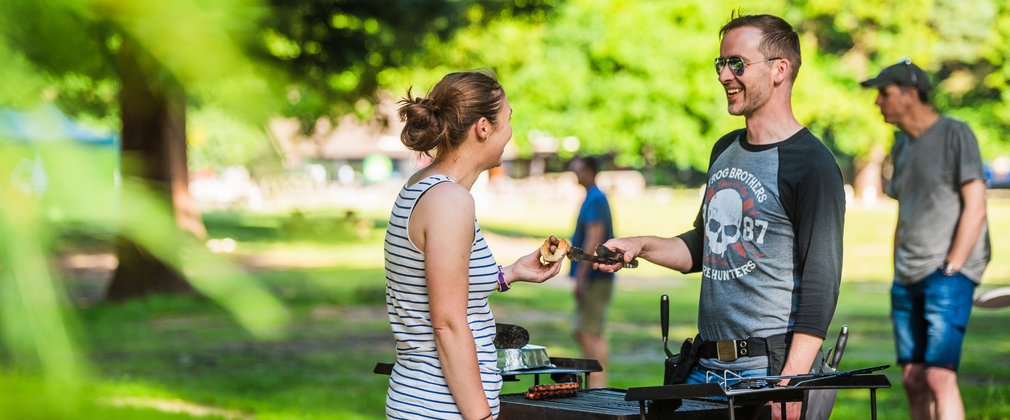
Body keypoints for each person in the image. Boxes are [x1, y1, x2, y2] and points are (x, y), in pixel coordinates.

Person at [596, 14, 845, 419]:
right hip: (705, 368)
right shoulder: (724, 150)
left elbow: (822, 281)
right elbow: (702, 245)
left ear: (780, 70)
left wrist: (791, 385)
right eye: (721, 64)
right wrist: (639, 245)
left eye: (737, 64)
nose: (724, 75)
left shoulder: (812, 164)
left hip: (766, 374)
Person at [383, 70, 564, 420]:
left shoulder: (426, 185)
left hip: (420, 401)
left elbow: (438, 286)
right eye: (507, 120)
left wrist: (509, 273)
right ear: (483, 127)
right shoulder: (450, 200)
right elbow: (448, 324)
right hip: (440, 408)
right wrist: (480, 417)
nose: (510, 132)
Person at [862, 59, 991, 420]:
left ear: (910, 95)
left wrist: (953, 266)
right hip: (906, 278)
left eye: (884, 94)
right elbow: (905, 215)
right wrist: (898, 272)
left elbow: (976, 205)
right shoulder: (901, 147)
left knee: (938, 376)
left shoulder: (956, 133)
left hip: (945, 274)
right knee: (913, 379)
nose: (877, 103)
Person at [568, 156, 616, 388]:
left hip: (596, 276)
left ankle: (597, 383)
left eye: (578, 168)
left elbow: (593, 240)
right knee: (589, 330)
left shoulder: (596, 199)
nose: (574, 172)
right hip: (595, 275)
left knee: (587, 331)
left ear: (589, 170)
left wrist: (580, 276)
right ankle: (597, 381)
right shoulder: (593, 197)